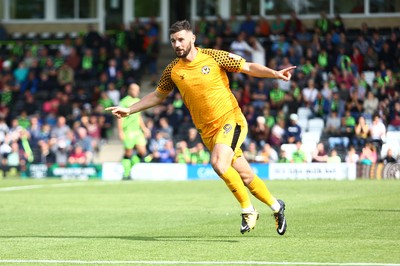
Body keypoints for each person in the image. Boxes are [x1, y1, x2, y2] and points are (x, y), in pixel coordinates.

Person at [106, 20, 295, 235]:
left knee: (218, 163)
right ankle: (277, 207)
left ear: (193, 39)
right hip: (207, 132)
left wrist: (275, 73)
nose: (177, 44)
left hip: (230, 120)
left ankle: (248, 210)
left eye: (181, 39)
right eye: (173, 41)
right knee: (246, 177)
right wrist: (130, 109)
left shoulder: (214, 56)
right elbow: (158, 96)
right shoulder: (173, 71)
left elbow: (248, 67)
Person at [117, 83, 150, 179]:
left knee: (143, 152)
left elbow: (138, 116)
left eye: (138, 90)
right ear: (130, 90)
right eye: (135, 90)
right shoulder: (124, 101)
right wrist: (120, 131)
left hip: (137, 131)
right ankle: (126, 174)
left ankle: (129, 168)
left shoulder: (138, 101)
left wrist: (144, 128)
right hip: (128, 131)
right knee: (128, 153)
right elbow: (119, 117)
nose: (137, 92)